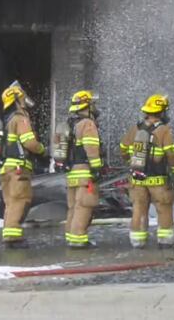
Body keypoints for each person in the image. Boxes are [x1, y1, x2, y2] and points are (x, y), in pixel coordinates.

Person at [119, 94, 174, 248]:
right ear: (161, 112)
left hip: (137, 180)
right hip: (158, 180)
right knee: (163, 208)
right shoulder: (164, 131)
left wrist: (132, 162)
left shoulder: (135, 128)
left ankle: (138, 241)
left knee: (139, 209)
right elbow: (171, 154)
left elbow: (123, 149)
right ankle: (165, 242)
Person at [0, 81, 46, 249]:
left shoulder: (6, 120)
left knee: (11, 202)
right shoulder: (20, 118)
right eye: (22, 97)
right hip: (18, 168)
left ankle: (10, 236)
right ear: (17, 100)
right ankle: (13, 239)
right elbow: (29, 143)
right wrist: (42, 150)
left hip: (7, 168)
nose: (25, 99)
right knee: (20, 201)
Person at [60, 90, 104, 248]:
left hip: (71, 173)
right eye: (93, 103)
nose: (95, 107)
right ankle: (79, 240)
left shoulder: (70, 124)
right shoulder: (87, 123)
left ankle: (71, 237)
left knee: (73, 207)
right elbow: (91, 147)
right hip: (85, 172)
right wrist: (97, 167)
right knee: (84, 205)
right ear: (88, 105)